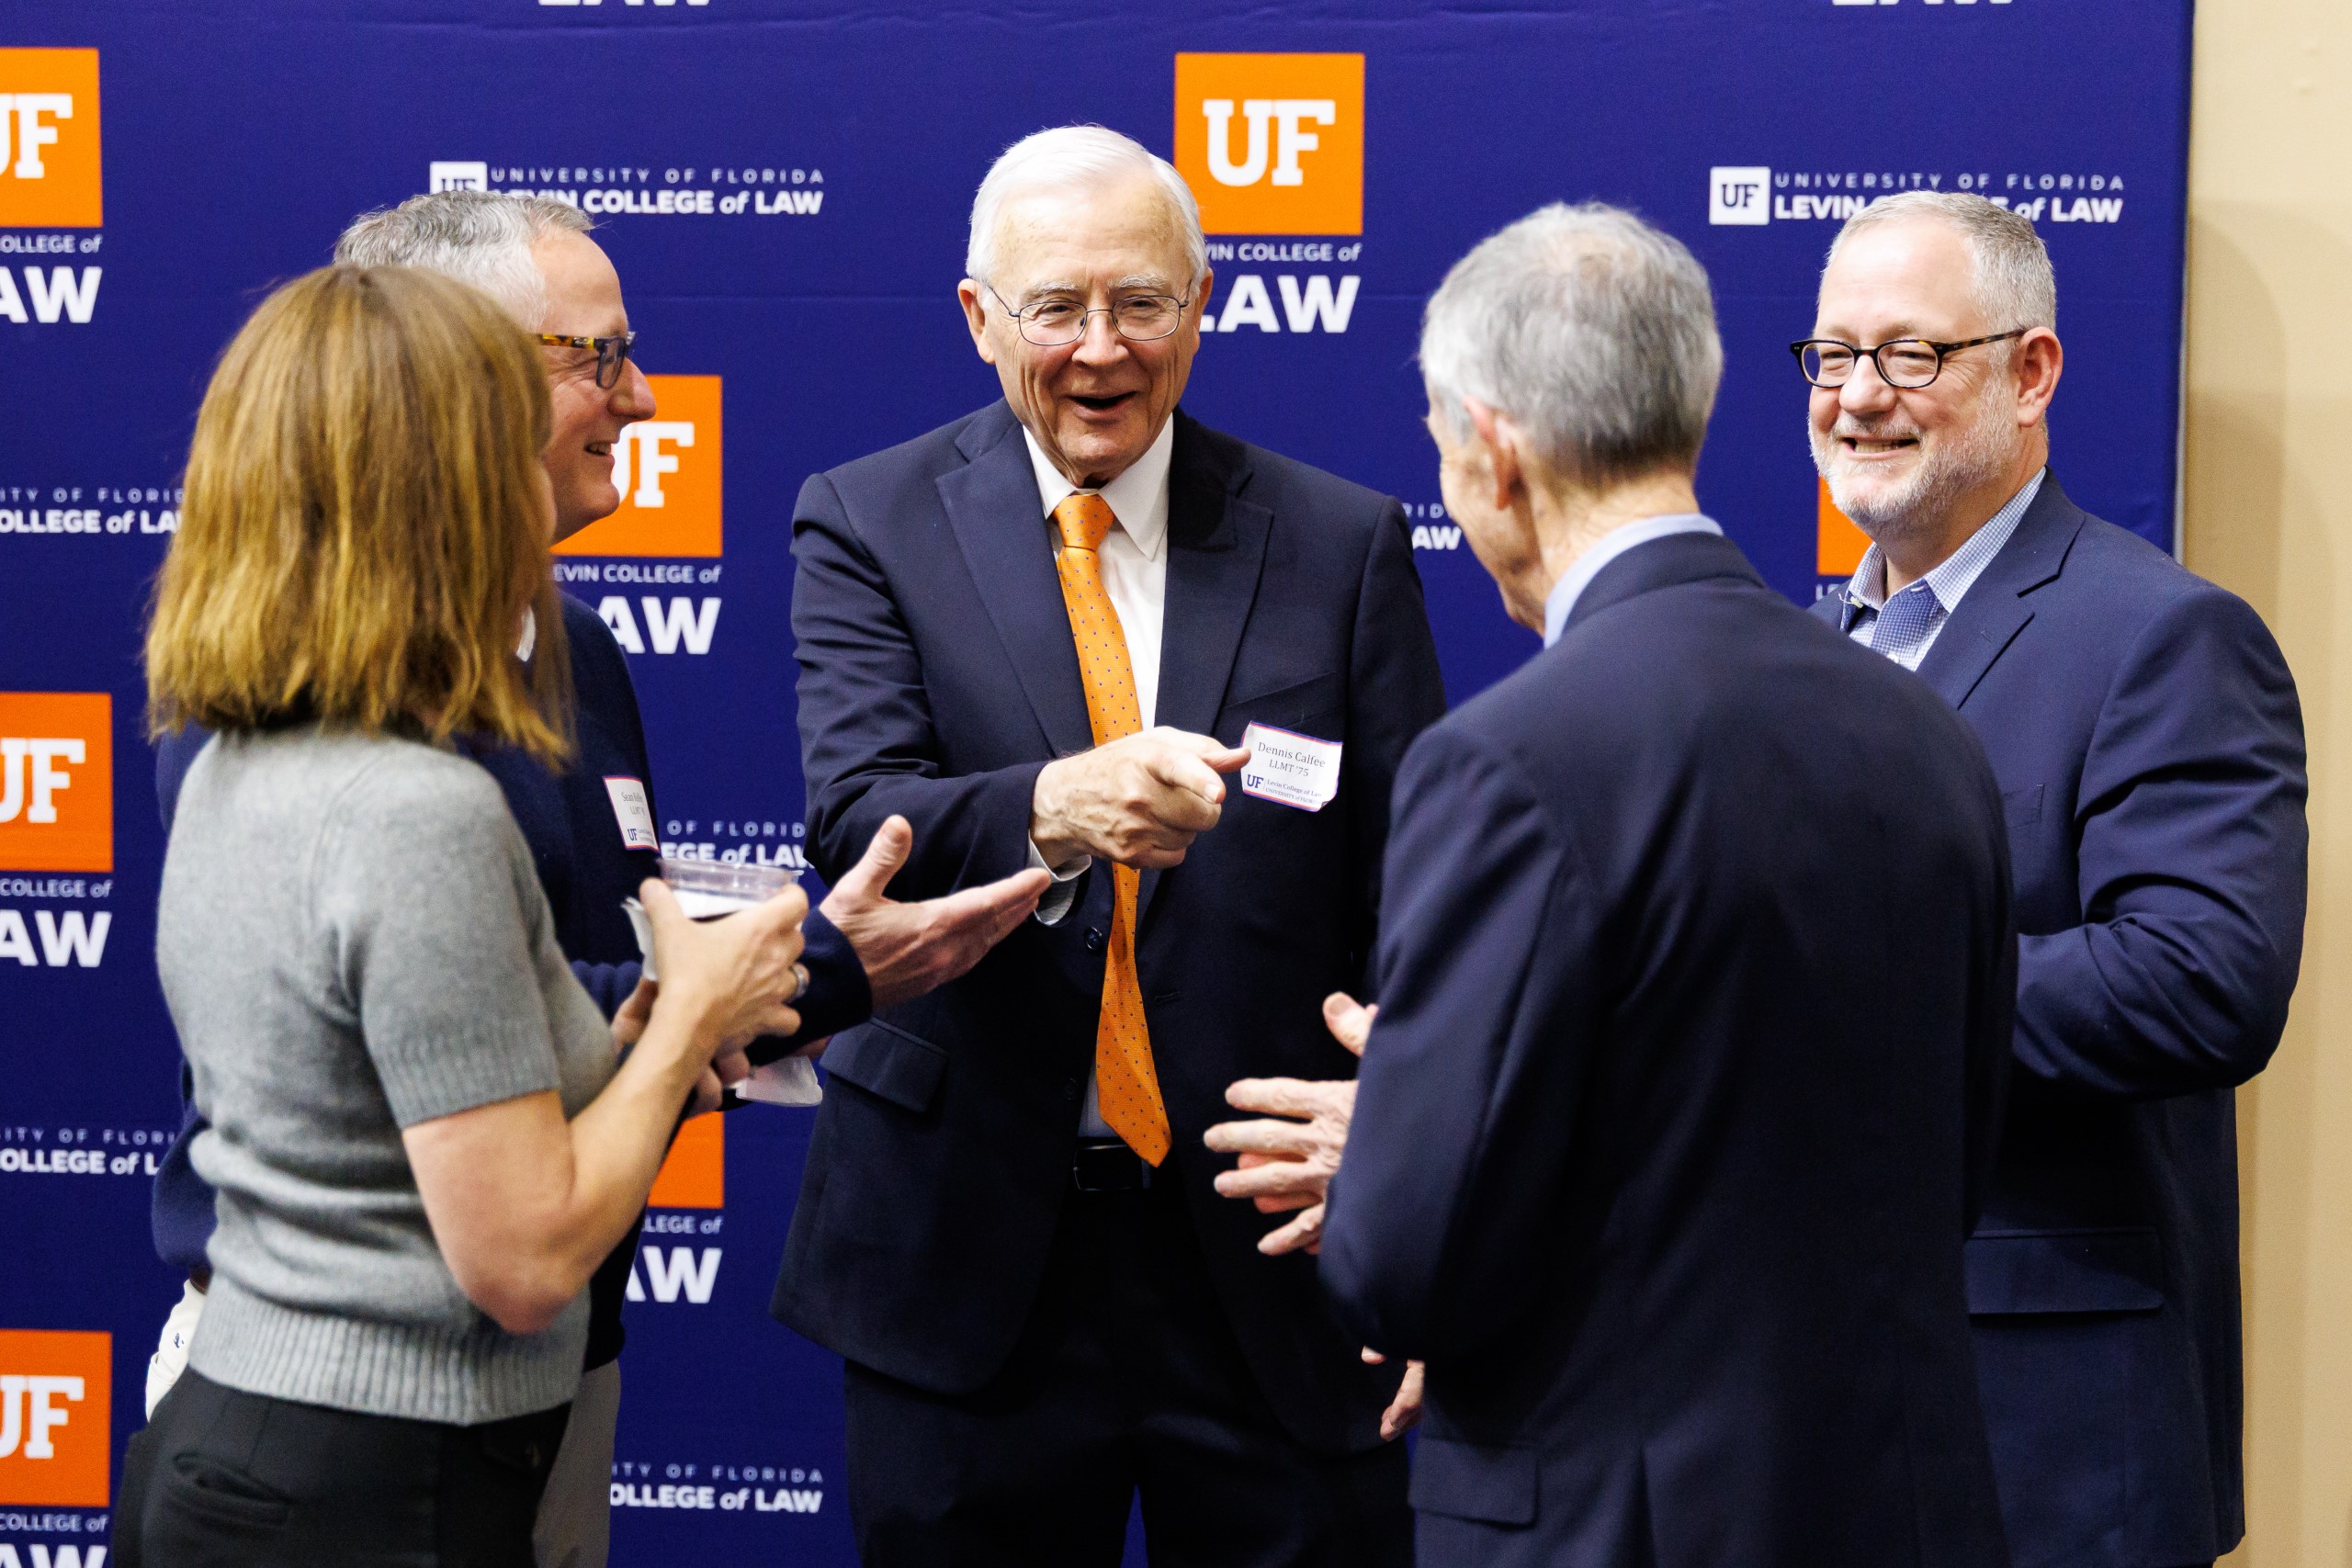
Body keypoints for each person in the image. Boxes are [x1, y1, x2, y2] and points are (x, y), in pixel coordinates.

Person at [132, 190, 1049, 1568]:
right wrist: (751, 986)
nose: (641, 398)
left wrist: (770, 977)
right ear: (453, 384)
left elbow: (559, 982)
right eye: (599, 358)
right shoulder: (307, 715)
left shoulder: (575, 647)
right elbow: (497, 1023)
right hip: (367, 1400)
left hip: (535, 1387)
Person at [1220, 202, 2018, 1568]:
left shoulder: (1510, 761)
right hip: (1901, 1508)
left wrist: (1408, 1130)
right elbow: (1937, 1158)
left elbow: (1412, 1262)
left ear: (1493, 449)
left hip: (1618, 1521)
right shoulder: (1920, 726)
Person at [774, 125, 1448, 1565]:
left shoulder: (1339, 542)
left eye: (1142, 304)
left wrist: (1419, 1218)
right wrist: (1054, 803)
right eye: (1056, 309)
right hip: (966, 1263)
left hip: (1272, 1251)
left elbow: (1417, 907)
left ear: (1202, 307)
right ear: (979, 320)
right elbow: (857, 814)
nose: (1101, 351)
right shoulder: (868, 522)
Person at [127, 263, 808, 1565]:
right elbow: (527, 1257)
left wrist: (740, 987)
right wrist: (688, 1028)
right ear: (434, 483)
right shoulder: (412, 811)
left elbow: (465, 1044)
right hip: (373, 1487)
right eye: (504, 431)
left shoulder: (240, 762)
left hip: (264, 1446)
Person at [1801, 190, 2307, 1568]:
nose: (1857, 399)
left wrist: (1854, 994)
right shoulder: (1795, 656)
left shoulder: (2162, 637)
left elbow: (2199, 981)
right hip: (1800, 1416)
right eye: (1833, 356)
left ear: (2032, 372)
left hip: (2047, 1427)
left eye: (1910, 355)